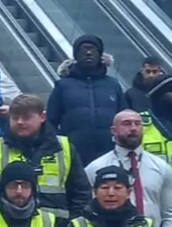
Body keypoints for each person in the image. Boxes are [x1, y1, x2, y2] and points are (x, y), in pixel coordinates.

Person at [0, 94, 91, 227]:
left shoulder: (64, 148)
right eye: (15, 118)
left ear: (42, 117)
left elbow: (80, 193)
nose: (20, 122)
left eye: (26, 117)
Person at [47, 34, 128, 168]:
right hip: (73, 152)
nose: (88, 53)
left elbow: (124, 116)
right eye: (83, 49)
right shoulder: (63, 86)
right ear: (76, 55)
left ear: (100, 55)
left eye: (93, 49)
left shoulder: (112, 85)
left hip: (109, 152)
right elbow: (51, 120)